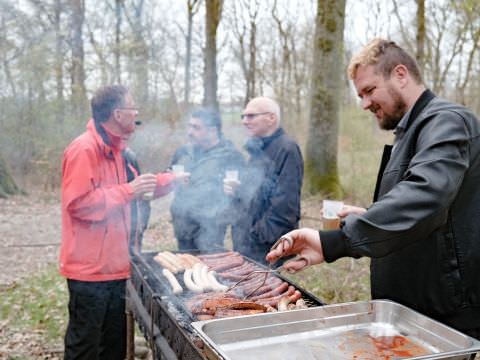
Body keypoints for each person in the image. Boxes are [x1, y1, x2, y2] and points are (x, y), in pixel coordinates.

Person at [266, 38, 480, 340]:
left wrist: (336, 241)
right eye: (360, 95)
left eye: (369, 90)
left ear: (401, 75)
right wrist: (367, 216)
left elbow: (425, 197)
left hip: (442, 310)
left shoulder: (446, 121)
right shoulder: (410, 131)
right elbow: (421, 213)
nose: (365, 103)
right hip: (408, 304)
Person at [59, 85, 178, 359]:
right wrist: (129, 191)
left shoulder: (120, 150)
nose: (136, 114)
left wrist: (173, 181)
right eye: (132, 108)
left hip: (118, 266)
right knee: (85, 347)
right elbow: (78, 204)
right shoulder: (84, 149)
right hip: (90, 271)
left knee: (113, 346)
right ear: (117, 114)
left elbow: (140, 188)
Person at [225, 96, 304, 265]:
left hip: (265, 247)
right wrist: (238, 192)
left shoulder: (287, 149)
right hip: (246, 243)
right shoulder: (257, 149)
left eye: (251, 116)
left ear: (271, 118)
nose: (245, 121)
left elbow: (285, 206)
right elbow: (257, 194)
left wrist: (255, 236)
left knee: (262, 291)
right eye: (243, 116)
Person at [170, 108, 244, 251]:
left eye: (196, 127)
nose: (189, 132)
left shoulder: (230, 156)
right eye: (189, 126)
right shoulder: (182, 152)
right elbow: (169, 176)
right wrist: (172, 180)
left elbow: (243, 194)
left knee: (208, 271)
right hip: (182, 227)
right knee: (184, 268)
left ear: (212, 130)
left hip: (210, 231)